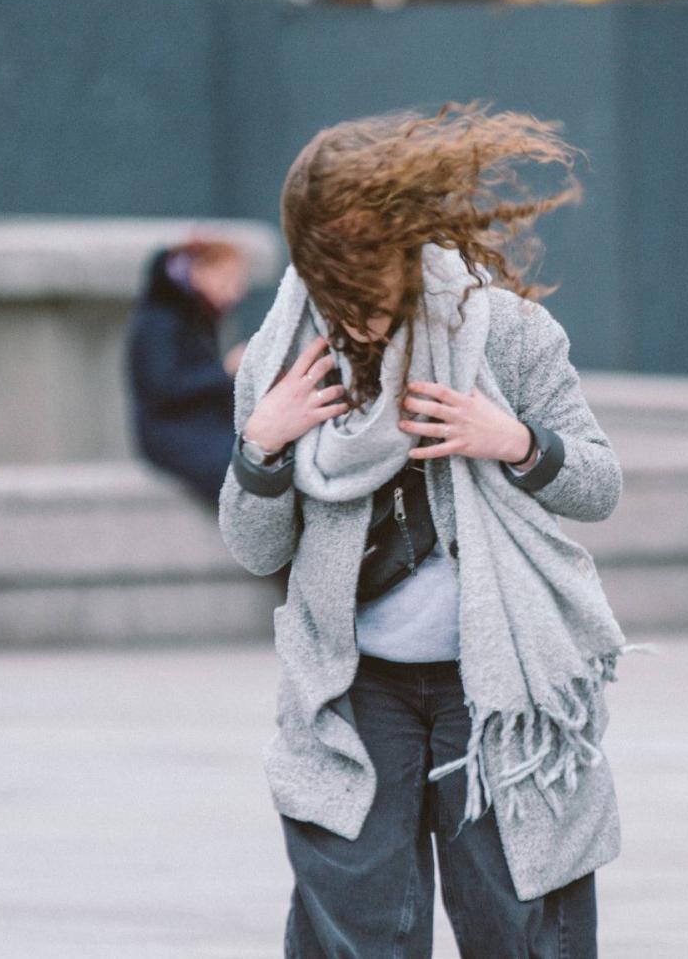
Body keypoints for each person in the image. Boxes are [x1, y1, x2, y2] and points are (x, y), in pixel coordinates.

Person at [218, 100, 638, 957]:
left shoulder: (506, 333)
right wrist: (264, 441)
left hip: (496, 693)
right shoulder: (279, 363)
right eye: (338, 286)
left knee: (520, 925)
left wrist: (514, 441)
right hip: (353, 688)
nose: (361, 316)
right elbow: (255, 547)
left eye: (374, 284)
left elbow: (599, 484)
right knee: (360, 932)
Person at [125, 235, 252, 508]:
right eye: (227, 279)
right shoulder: (160, 319)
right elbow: (163, 386)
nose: (236, 291)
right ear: (198, 273)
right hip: (172, 435)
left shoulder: (193, 316)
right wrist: (226, 371)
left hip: (197, 428)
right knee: (242, 474)